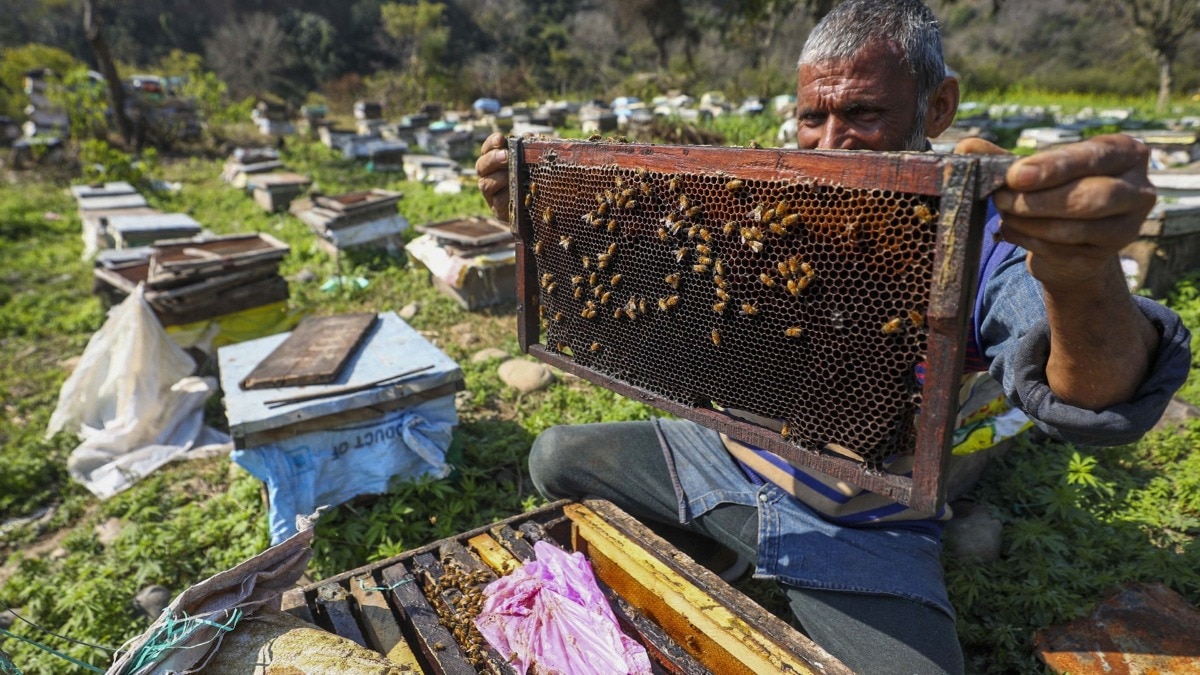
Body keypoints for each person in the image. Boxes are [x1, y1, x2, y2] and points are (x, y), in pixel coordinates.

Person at [474, 1, 1191, 672]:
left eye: (864, 112)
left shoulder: (979, 238)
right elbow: (643, 273)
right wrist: (545, 222)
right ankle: (729, 544)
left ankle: (768, 553)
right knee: (556, 455)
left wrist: (1081, 278)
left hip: (863, 522)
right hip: (727, 459)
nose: (831, 141)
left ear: (938, 106)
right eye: (812, 116)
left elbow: (1097, 394)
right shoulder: (761, 200)